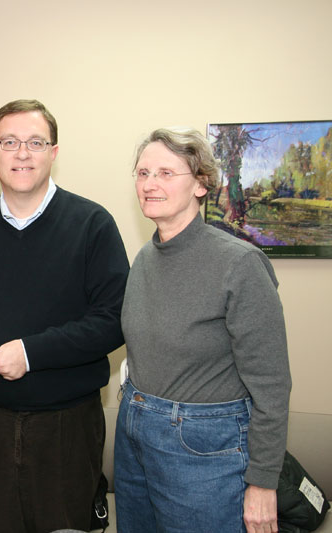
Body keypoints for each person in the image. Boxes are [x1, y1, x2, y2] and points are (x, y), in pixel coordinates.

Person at [0, 99, 129, 532]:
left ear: (53, 152)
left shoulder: (93, 225)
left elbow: (113, 319)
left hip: (65, 427)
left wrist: (30, 353)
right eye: (9, 142)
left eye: (35, 142)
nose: (22, 153)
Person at [114, 127, 291, 533]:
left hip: (203, 447)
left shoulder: (240, 264)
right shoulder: (144, 259)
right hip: (135, 429)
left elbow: (271, 385)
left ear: (201, 184)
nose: (150, 184)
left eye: (165, 173)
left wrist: (262, 482)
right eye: (142, 173)